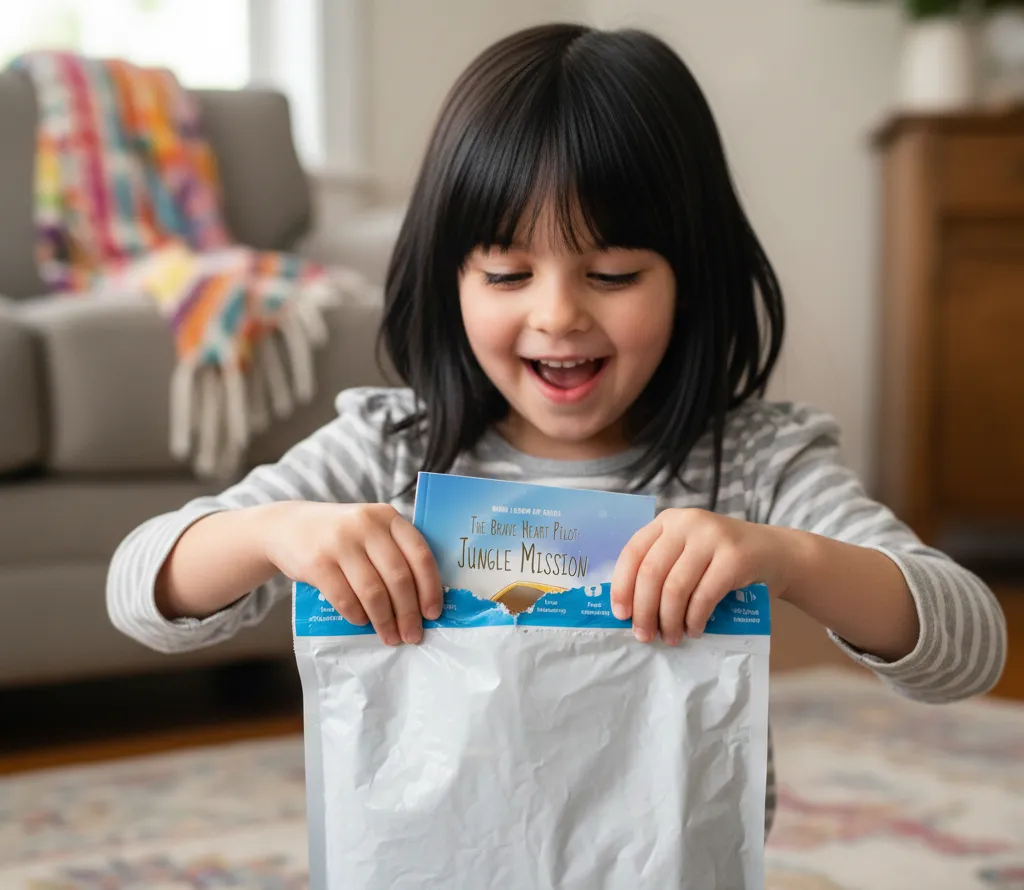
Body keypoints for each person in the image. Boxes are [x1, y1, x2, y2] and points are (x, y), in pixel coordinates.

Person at [107, 23, 1007, 837]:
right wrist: (274, 532)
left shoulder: (757, 463)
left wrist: (791, 558)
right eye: (505, 273)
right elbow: (141, 593)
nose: (558, 315)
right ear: (448, 278)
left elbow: (968, 648)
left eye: (611, 273)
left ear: (689, 275)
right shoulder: (392, 449)